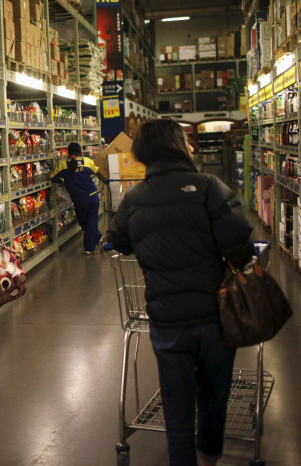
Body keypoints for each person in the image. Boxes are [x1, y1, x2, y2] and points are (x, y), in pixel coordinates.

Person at [105, 119, 253, 466]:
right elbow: (240, 247)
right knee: (214, 395)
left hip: (167, 321)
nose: (191, 146)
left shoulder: (134, 198)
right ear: (176, 146)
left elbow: (119, 240)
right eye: (186, 140)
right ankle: (210, 458)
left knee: (177, 403)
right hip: (214, 318)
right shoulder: (209, 188)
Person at [51, 142, 102, 254]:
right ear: (81, 152)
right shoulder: (87, 161)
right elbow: (96, 170)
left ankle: (89, 248)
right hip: (92, 196)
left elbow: (53, 176)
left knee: (84, 222)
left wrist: (64, 181)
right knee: (90, 222)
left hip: (79, 199)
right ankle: (101, 240)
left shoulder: (63, 164)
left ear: (68, 153)